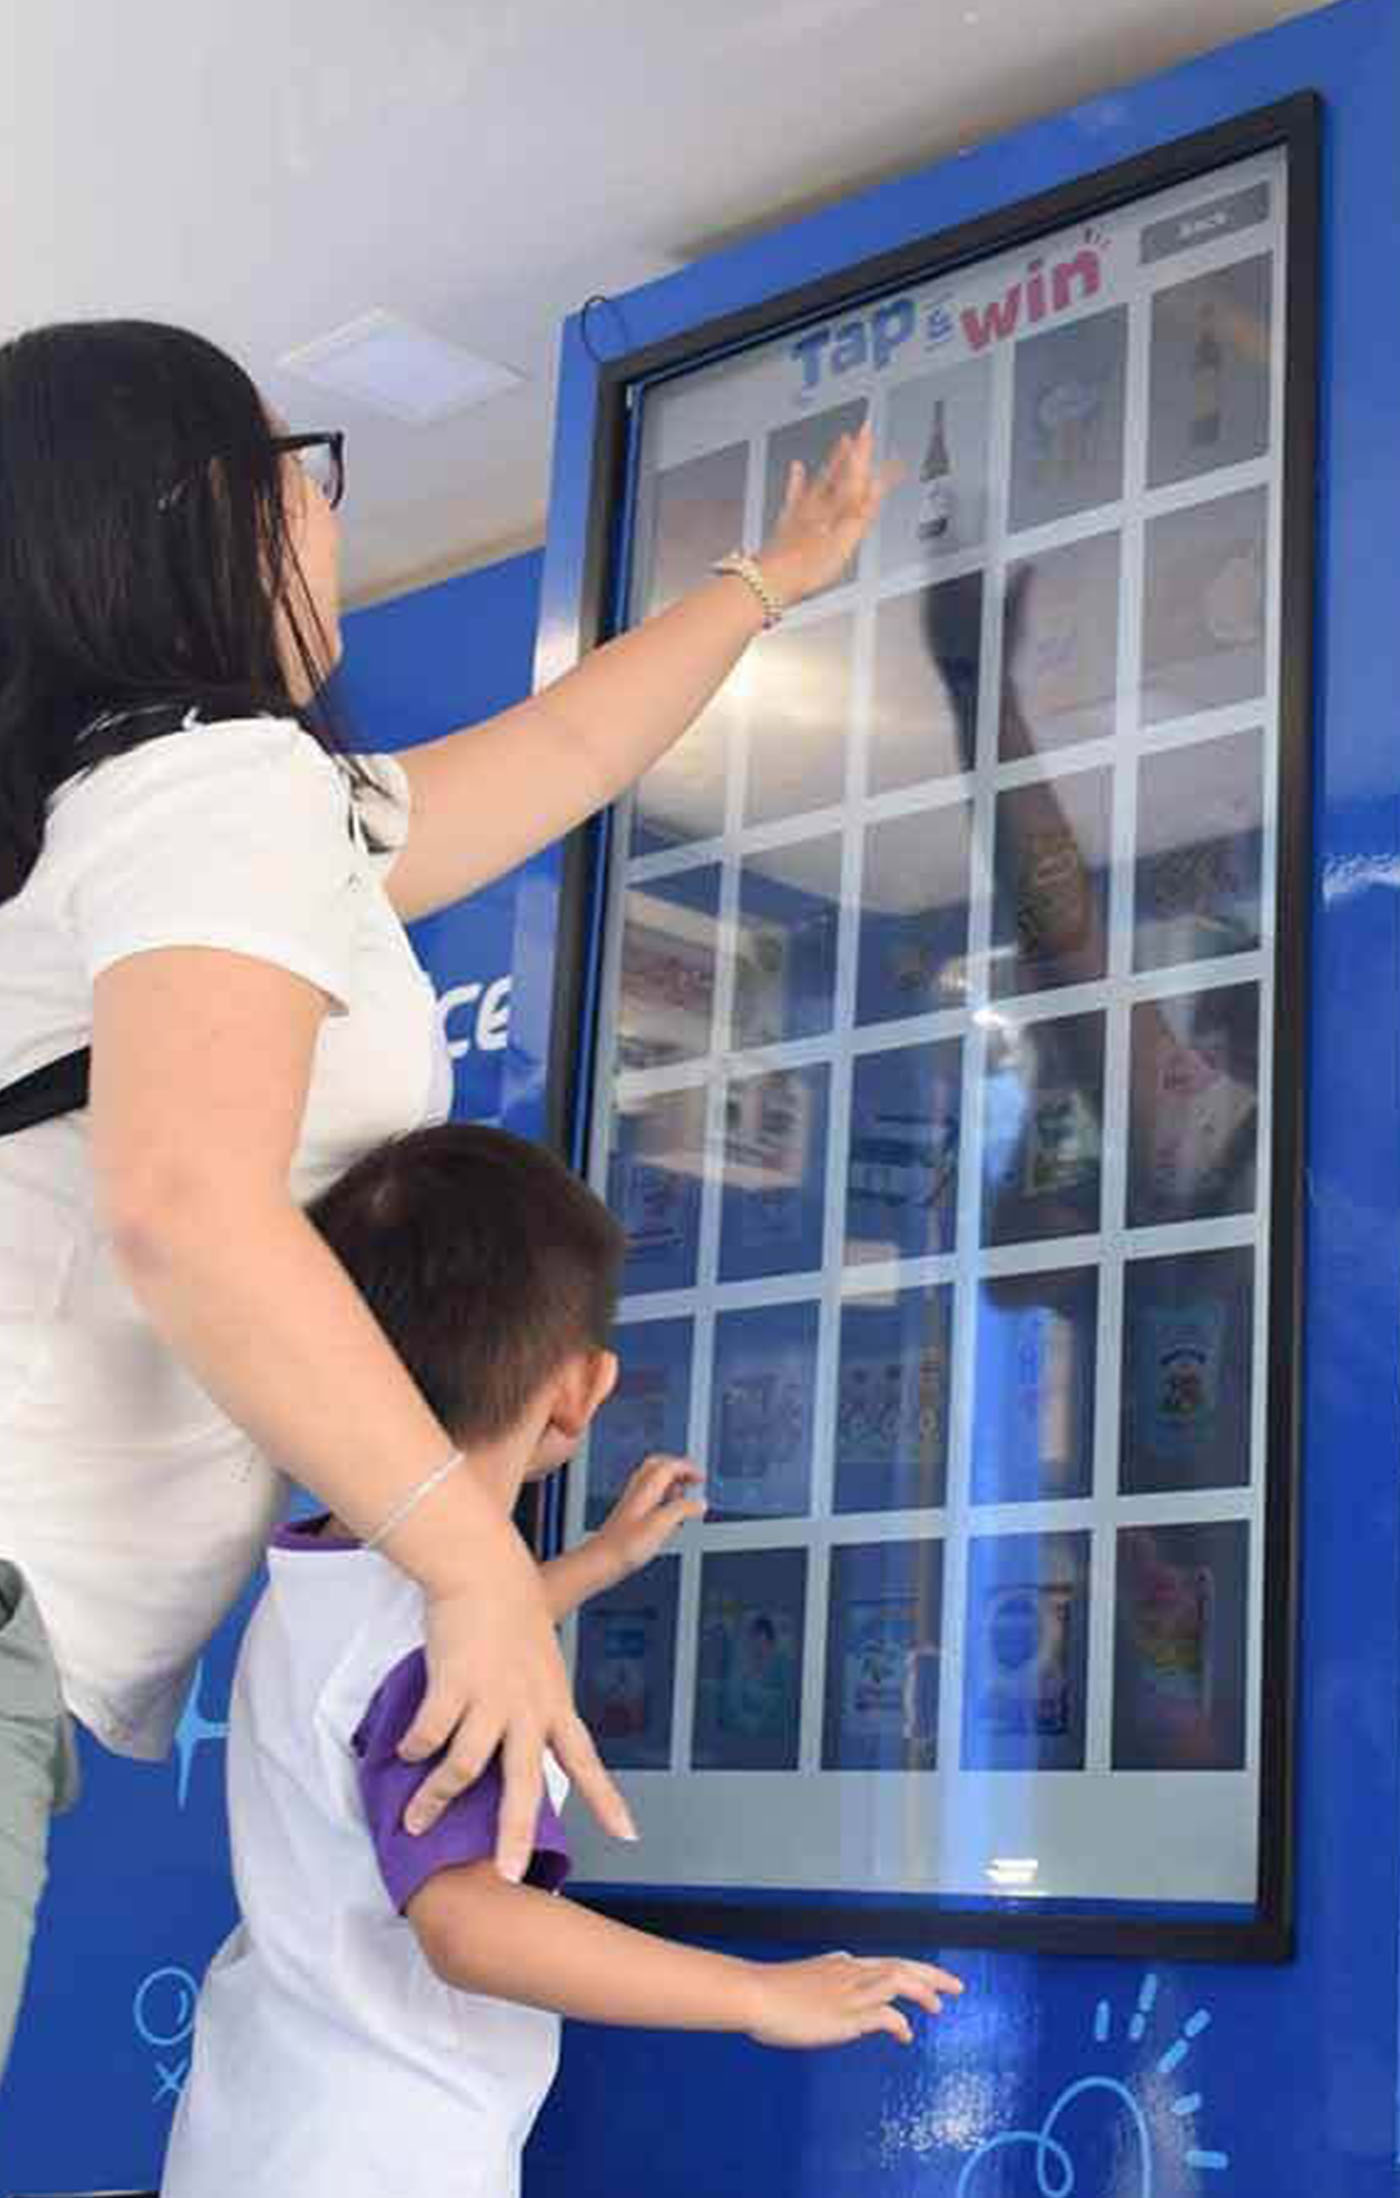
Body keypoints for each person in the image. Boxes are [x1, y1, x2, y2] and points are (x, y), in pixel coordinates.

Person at [0, 318, 891, 2073]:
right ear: (202, 514)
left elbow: (559, 752)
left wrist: (761, 584)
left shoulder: (184, 811)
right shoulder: (210, 790)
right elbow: (184, 1204)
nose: (327, 514)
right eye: (303, 468)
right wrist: (474, 1558)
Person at [159, 1123, 964, 2198]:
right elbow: (467, 1919)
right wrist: (758, 1991)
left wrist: (593, 1561)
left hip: (254, 2133)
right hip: (394, 2158)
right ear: (582, 1390)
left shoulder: (326, 1580)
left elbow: (409, 1672)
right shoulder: (426, 1637)